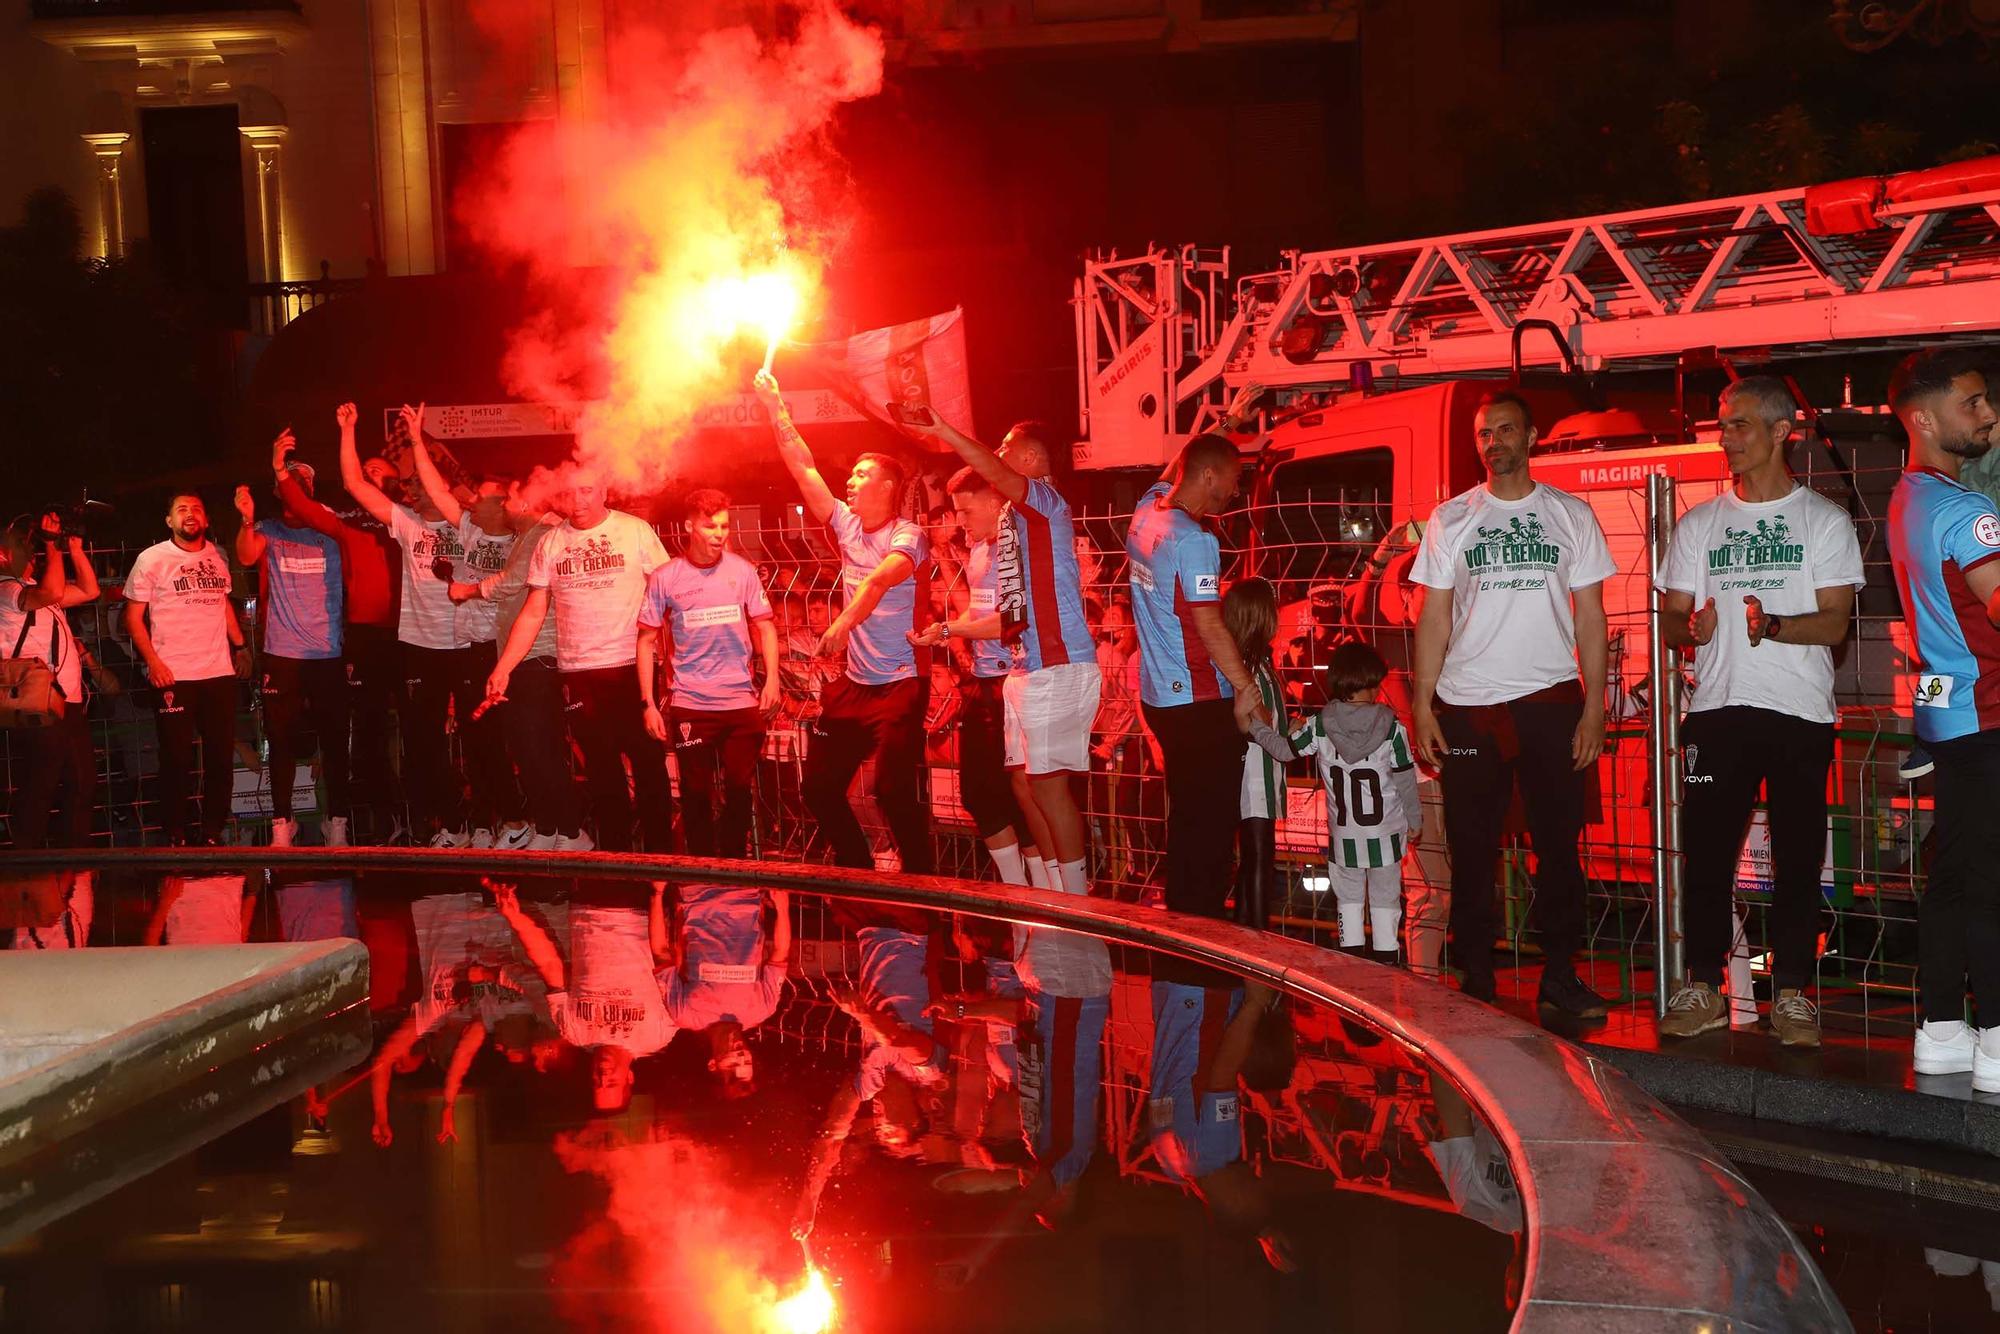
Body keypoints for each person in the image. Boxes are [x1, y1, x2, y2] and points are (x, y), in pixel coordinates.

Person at [1655, 376, 1864, 1048]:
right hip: (1717, 710)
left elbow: (1835, 625)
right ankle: (1702, 986)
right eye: (1723, 425)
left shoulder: (1824, 521)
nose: (1726, 438)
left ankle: (1794, 994)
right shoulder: (1700, 523)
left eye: (1740, 424)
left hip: (1800, 711)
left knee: (1800, 858)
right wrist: (1695, 628)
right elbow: (1670, 622)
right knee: (1708, 857)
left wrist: (1770, 625)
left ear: (1781, 431)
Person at [1409, 390, 1614, 1018]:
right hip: (1469, 708)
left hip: (1552, 703)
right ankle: (1476, 980)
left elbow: (1591, 620)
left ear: (1530, 437)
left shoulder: (1571, 515)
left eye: (1504, 431)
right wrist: (1421, 704)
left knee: (1558, 849)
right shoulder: (1451, 519)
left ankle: (1558, 975)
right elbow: (1433, 619)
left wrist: (1595, 710)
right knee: (1471, 850)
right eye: (1483, 434)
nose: (1493, 443)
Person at [904, 416, 1103, 897]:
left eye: (1006, 447)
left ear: (1031, 460)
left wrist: (945, 432)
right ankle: (1046, 894)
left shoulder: (1046, 504)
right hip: (1024, 666)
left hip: (1060, 663)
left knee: (1048, 787)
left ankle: (1075, 901)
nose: (996, 454)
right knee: (1023, 787)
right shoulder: (1009, 525)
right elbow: (1009, 607)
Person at [754, 369, 933, 876]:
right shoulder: (845, 524)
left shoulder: (909, 534)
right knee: (818, 787)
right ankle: (856, 868)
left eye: (861, 474)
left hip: (900, 685)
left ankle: (923, 879)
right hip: (855, 685)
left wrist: (840, 626)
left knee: (892, 790)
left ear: (889, 486)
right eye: (850, 475)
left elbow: (876, 584)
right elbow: (802, 466)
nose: (849, 482)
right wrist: (774, 403)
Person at [1884, 347, 2000, 1087]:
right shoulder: (1966, 508)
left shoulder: (1908, 498)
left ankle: (1943, 1026)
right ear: (1924, 419)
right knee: (1988, 877)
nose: (1988, 414)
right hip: (1988, 710)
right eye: (1973, 403)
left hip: (1954, 715)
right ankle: (1993, 1032)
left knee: (1957, 872)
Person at [488, 470, 675, 852]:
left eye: (587, 490)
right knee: (603, 771)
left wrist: (673, 658)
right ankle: (617, 859)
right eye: (571, 492)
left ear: (604, 490)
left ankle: (662, 861)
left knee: (648, 765)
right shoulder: (551, 542)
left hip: (631, 666)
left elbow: (669, 596)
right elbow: (534, 610)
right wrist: (503, 667)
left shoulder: (635, 531)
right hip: (578, 671)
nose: (579, 499)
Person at [1126, 434, 1264, 920]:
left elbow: (1168, 475)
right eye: (1234, 477)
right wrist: (1249, 690)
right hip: (1199, 701)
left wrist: (1226, 423)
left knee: (1186, 817)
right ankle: (1204, 930)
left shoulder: (1146, 511)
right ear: (1209, 476)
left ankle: (1182, 922)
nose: (1235, 489)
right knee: (1210, 827)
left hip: (1159, 696)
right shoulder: (1196, 540)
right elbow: (1208, 623)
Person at [337, 401, 474, 846]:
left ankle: (491, 823)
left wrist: (416, 438)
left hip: (469, 644)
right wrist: (348, 430)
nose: (416, 492)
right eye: (412, 486)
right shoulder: (406, 523)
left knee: (478, 737)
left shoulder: (465, 524)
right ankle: (445, 824)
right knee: (423, 743)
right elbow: (354, 483)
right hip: (421, 648)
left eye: (423, 485)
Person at [275, 412, 404, 842]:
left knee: (417, 729)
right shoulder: (347, 523)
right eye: (364, 471)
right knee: (368, 732)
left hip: (414, 636)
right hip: (366, 638)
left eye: (378, 472)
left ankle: (428, 821)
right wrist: (280, 469)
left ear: (395, 484)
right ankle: (379, 821)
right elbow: (302, 506)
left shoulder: (409, 520)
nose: (368, 475)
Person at [911, 467, 1044, 886]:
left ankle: (1044, 889)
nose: (961, 523)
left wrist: (953, 629)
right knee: (979, 792)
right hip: (984, 681)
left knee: (1022, 794)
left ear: (993, 502)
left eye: (966, 512)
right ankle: (1014, 886)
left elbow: (1010, 620)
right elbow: (978, 612)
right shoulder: (981, 550)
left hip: (1017, 681)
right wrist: (944, 629)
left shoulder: (1014, 548)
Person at [1251, 640, 1421, 963]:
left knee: (1349, 902)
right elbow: (1405, 779)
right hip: (1385, 835)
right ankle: (1387, 973)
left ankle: (1351, 974)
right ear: (1371, 684)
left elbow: (1285, 750)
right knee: (1386, 902)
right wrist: (1415, 821)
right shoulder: (1392, 729)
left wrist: (1256, 727)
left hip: (1345, 839)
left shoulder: (1319, 727)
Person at [635, 489, 780, 859]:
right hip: (691, 703)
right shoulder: (666, 577)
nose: (719, 534)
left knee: (739, 789)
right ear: (689, 526)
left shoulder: (743, 571)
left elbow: (765, 627)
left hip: (739, 701)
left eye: (724, 526)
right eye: (709, 525)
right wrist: (648, 703)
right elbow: (646, 640)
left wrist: (774, 680)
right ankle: (699, 868)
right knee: (695, 792)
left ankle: (734, 864)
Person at [406, 406, 526, 847]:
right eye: (478, 496)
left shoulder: (520, 540)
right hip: (466, 648)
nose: (476, 501)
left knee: (498, 743)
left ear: (506, 505)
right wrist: (417, 441)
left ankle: (515, 821)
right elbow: (437, 489)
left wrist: (471, 590)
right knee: (475, 745)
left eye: (488, 498)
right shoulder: (469, 529)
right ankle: (481, 824)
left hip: (501, 649)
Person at [448, 500, 587, 850]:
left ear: (527, 501)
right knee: (527, 750)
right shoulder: (526, 536)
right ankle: (551, 827)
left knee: (539, 749)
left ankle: (569, 830)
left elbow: (513, 581)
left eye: (508, 498)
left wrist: (466, 590)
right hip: (520, 657)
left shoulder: (542, 534)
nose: (504, 505)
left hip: (537, 655)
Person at [236, 429, 350, 848]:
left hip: (328, 652)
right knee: (280, 741)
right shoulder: (267, 528)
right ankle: (282, 824)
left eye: (305, 481)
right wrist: (247, 517)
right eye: (290, 480)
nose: (299, 486)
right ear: (278, 490)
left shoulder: (333, 530)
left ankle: (337, 823)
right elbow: (245, 556)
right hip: (282, 653)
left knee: (336, 741)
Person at [124, 492, 251, 846]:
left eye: (197, 508)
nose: (190, 514)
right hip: (174, 675)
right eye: (181, 509)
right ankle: (175, 832)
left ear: (206, 519)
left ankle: (212, 831)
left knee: (220, 758)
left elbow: (222, 602)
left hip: (218, 672)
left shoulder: (217, 555)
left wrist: (240, 645)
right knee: (177, 759)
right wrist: (153, 661)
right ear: (169, 521)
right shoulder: (151, 559)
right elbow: (133, 617)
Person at [496, 878, 676, 1114]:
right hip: (640, 908)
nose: (602, 1076)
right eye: (611, 1083)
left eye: (595, 1083)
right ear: (629, 1078)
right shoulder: (659, 1035)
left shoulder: (574, 1032)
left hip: (586, 905)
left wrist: (515, 918)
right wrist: (658, 896)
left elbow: (550, 965)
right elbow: (666, 961)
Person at [1, 511, 100, 850]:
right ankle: (27, 857)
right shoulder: (6, 589)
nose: (32, 553)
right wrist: (52, 548)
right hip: (36, 699)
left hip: (65, 699)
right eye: (23, 546)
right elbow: (54, 589)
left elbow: (89, 590)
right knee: (42, 780)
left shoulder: (32, 588)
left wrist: (71, 547)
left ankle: (74, 857)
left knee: (81, 779)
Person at [658, 885, 791, 1098]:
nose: (741, 1054)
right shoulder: (763, 1008)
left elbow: (661, 953)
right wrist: (782, 909)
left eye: (733, 1064)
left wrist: (656, 894)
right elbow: (780, 955)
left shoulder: (684, 1015)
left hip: (695, 894)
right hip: (746, 894)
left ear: (712, 1064)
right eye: (746, 1060)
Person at [1225, 578, 1286, 929]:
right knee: (1259, 855)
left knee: (1255, 858)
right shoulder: (1246, 667)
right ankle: (1258, 941)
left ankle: (1248, 936)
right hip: (1253, 773)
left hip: (1266, 771)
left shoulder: (1259, 663)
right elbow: (1244, 719)